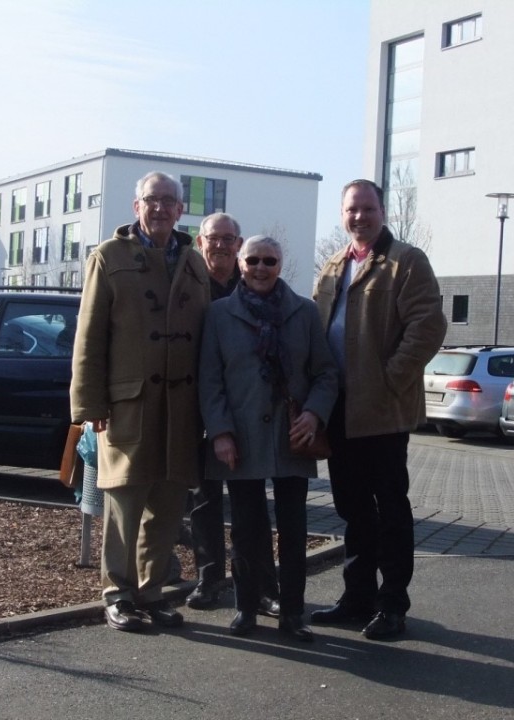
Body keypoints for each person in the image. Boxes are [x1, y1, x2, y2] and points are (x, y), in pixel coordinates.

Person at [70, 171, 211, 632]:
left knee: (167, 506)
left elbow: (207, 338)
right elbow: (88, 336)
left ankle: (151, 593)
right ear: (137, 207)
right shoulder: (108, 257)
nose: (161, 208)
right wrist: (89, 404)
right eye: (152, 199)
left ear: (180, 210)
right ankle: (118, 594)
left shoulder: (193, 262)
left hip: (181, 408)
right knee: (124, 505)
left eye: (169, 201)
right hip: (129, 404)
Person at [311, 179, 447, 640]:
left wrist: (391, 377)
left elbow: (428, 327)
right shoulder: (333, 264)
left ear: (381, 211)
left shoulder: (406, 262)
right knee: (352, 510)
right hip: (340, 410)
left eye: (367, 209)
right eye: (351, 210)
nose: (359, 217)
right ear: (342, 214)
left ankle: (392, 605)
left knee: (390, 509)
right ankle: (357, 598)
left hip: (383, 410)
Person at [199, 235, 338, 641]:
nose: (261, 268)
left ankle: (293, 613)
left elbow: (326, 372)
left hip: (292, 435)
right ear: (241, 264)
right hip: (239, 438)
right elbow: (210, 380)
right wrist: (220, 432)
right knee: (246, 528)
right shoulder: (219, 314)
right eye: (254, 260)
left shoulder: (305, 313)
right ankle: (246, 607)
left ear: (281, 265)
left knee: (293, 529)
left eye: (270, 261)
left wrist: (314, 413)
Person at [185, 212, 281, 617]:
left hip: (241, 409)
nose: (221, 245)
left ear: (239, 245)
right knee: (203, 500)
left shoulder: (252, 287)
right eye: (213, 237)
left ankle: (261, 585)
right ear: (200, 242)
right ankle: (209, 580)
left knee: (250, 502)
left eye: (229, 238)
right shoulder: (186, 285)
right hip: (193, 404)